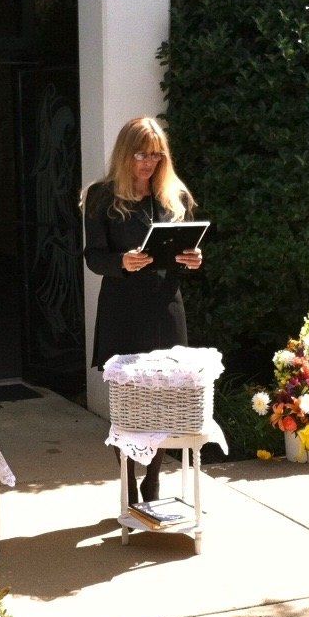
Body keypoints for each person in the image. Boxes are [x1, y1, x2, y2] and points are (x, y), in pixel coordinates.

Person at [82, 116, 203, 507]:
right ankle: (127, 481)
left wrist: (193, 258)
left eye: (155, 155)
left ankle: (152, 480)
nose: (148, 163)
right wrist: (122, 262)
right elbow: (93, 258)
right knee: (126, 405)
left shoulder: (174, 197)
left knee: (165, 402)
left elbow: (182, 251)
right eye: (140, 155)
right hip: (122, 309)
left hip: (165, 306)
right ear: (124, 154)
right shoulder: (101, 197)